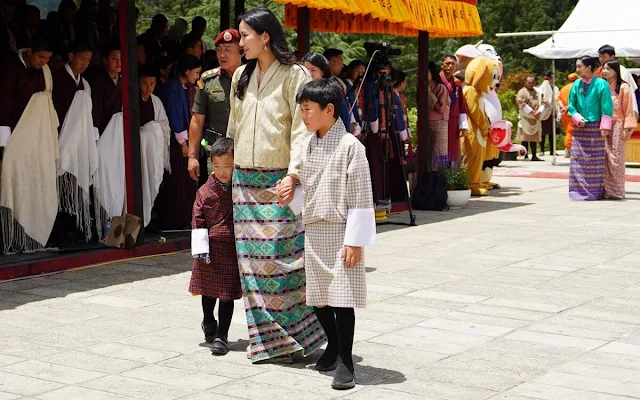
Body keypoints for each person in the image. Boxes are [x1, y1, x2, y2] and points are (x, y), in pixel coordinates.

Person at [227, 7, 325, 363]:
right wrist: (225, 168)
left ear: (265, 36)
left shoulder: (294, 75)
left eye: (245, 36)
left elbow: (302, 131)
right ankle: (266, 343)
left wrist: (293, 175)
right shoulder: (240, 74)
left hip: (280, 180)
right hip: (243, 183)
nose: (241, 43)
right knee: (250, 266)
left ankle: (300, 336)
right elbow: (233, 128)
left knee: (282, 261)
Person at [277, 78, 375, 390]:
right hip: (314, 230)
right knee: (319, 300)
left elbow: (362, 196)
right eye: (302, 110)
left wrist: (355, 242)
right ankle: (333, 345)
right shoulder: (307, 144)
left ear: (328, 109)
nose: (304, 116)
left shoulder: (351, 147)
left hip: (342, 230)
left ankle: (346, 360)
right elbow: (300, 177)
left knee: (342, 299)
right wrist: (290, 183)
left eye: (308, 110)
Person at [0, 36, 57, 252]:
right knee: (12, 180)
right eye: (41, 57)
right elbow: (4, 99)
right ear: (30, 51)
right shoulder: (11, 67)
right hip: (13, 133)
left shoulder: (44, 71)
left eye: (48, 58)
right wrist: (4, 140)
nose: (44, 62)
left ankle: (30, 235)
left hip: (36, 138)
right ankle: (9, 236)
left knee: (34, 180)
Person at [190, 137, 241, 356]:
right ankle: (208, 321)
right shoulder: (204, 192)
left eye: (228, 167)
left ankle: (222, 335)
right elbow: (198, 219)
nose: (222, 172)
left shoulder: (240, 189)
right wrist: (201, 249)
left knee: (226, 293)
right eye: (217, 166)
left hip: (231, 248)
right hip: (209, 248)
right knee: (209, 291)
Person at [51, 42, 96, 244]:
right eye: (81, 59)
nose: (85, 64)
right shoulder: (59, 79)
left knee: (75, 184)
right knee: (58, 184)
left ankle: (73, 227)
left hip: (79, 141)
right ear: (71, 56)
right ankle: (57, 231)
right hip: (60, 137)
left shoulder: (85, 83)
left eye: (88, 60)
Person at [188, 28, 242, 185]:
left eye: (228, 50)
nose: (222, 55)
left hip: (245, 152)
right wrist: (192, 157)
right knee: (217, 201)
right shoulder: (208, 80)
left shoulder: (253, 77)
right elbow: (197, 120)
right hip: (217, 153)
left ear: (241, 51)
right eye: (219, 50)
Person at [157, 55, 201, 230]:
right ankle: (175, 220)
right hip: (177, 142)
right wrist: (183, 143)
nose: (197, 76)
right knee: (177, 182)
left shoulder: (185, 87)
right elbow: (174, 114)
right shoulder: (173, 88)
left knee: (186, 182)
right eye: (196, 72)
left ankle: (185, 217)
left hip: (186, 141)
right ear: (186, 71)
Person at [568, 56, 613, 201]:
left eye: (580, 66)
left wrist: (605, 127)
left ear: (588, 67)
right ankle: (577, 193)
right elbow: (571, 106)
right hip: (580, 128)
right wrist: (577, 118)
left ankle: (593, 193)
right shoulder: (576, 84)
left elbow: (607, 107)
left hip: (596, 127)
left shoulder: (601, 84)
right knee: (577, 160)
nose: (577, 70)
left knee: (595, 162)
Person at [136, 67, 170, 228]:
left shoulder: (156, 101)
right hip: (137, 151)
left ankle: (149, 219)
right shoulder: (132, 100)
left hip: (152, 152)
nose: (148, 88)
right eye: (144, 83)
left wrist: (152, 129)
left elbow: (164, 125)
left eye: (152, 83)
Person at [602, 60, 636, 200]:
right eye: (603, 69)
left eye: (607, 69)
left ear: (615, 71)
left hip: (618, 125)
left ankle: (617, 191)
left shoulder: (624, 87)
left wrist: (627, 129)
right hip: (604, 125)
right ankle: (605, 190)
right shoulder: (602, 86)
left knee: (616, 158)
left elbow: (628, 110)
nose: (604, 71)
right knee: (604, 157)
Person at [302, 52, 352, 132]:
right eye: (305, 70)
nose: (308, 74)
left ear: (322, 72)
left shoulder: (332, 92)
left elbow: (345, 118)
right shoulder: (299, 91)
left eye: (313, 70)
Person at [595, 45, 638, 118]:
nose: (601, 59)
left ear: (612, 57)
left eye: (604, 56)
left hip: (619, 112)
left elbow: (628, 96)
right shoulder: (598, 71)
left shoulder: (622, 71)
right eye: (600, 56)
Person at [88, 44, 121, 137]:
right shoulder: (98, 79)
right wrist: (96, 129)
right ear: (105, 60)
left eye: (121, 58)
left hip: (120, 126)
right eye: (114, 59)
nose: (119, 62)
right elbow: (96, 106)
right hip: (103, 125)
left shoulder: (124, 80)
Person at [440, 55, 469, 162]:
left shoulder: (457, 83)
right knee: (440, 149)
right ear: (442, 64)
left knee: (453, 150)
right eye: (447, 63)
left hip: (453, 122)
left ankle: (452, 175)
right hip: (440, 120)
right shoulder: (436, 80)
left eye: (453, 64)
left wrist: (463, 124)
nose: (450, 66)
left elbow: (462, 104)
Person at [516, 76, 546, 161]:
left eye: (532, 82)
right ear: (525, 82)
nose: (530, 84)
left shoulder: (538, 91)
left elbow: (545, 102)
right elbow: (520, 102)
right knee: (524, 139)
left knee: (534, 139)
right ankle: (524, 155)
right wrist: (532, 112)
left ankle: (534, 155)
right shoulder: (522, 92)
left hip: (536, 117)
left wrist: (539, 111)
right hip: (526, 117)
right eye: (529, 82)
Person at [428, 61, 450, 169]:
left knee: (438, 153)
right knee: (426, 153)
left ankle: (438, 180)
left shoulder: (441, 87)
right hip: (425, 123)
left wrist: (429, 93)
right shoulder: (421, 88)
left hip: (439, 124)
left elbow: (441, 108)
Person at [558, 73, 579, 157]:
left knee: (567, 130)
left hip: (564, 113)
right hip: (572, 112)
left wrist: (563, 107)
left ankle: (568, 149)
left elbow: (558, 100)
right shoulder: (577, 87)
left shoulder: (564, 88)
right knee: (571, 131)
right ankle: (568, 149)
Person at [538, 72, 559, 156]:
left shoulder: (555, 88)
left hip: (552, 111)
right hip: (543, 112)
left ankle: (552, 150)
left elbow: (557, 99)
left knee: (552, 133)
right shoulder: (539, 89)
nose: (546, 81)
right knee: (542, 133)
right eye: (544, 79)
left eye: (548, 79)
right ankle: (541, 150)